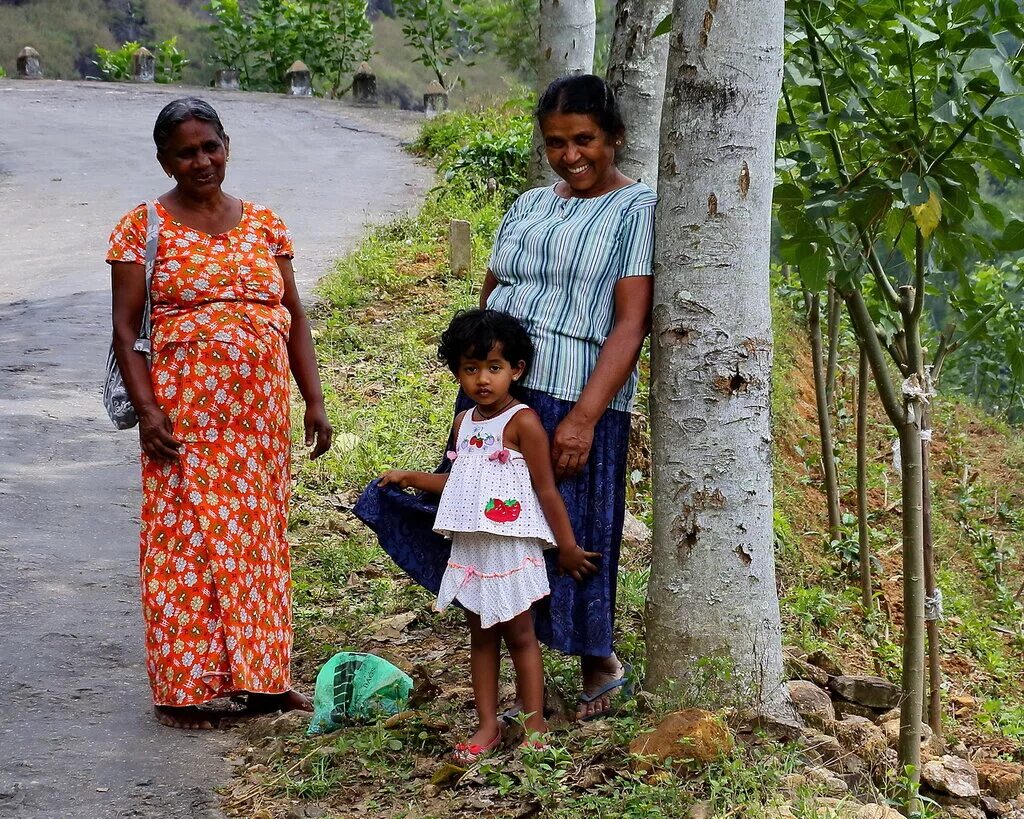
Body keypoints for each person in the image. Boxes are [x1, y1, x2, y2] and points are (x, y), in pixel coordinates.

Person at [355, 74, 655, 721]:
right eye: (556, 142)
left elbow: (631, 321)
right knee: (482, 521)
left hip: (576, 395)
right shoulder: (527, 205)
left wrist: (583, 416)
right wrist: (476, 393)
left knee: (565, 531)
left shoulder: (639, 209)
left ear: (615, 138)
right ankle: (500, 639)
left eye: (585, 140)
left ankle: (595, 662)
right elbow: (491, 294)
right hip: (498, 395)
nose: (570, 155)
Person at [107, 97, 333, 730]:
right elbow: (126, 331)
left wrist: (312, 399)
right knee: (186, 546)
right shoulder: (140, 226)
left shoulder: (265, 223)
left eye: (210, 146)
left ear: (226, 145)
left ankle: (264, 682)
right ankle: (183, 691)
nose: (201, 161)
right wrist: (149, 411)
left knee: (257, 543)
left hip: (259, 420)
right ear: (164, 159)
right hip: (183, 419)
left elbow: (294, 319)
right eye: (186, 151)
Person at [377, 310, 600, 761]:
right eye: (471, 369)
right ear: (457, 371)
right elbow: (461, 481)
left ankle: (534, 722)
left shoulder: (523, 422)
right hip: (473, 545)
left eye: (494, 368)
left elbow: (545, 489)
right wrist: (412, 477)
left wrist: (567, 546)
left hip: (510, 545)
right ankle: (487, 725)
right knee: (479, 635)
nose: (482, 379)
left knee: (520, 633)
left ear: (516, 370)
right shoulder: (464, 424)